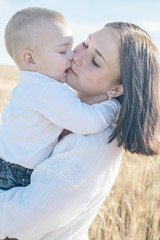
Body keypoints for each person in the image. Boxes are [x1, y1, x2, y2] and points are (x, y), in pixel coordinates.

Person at [0, 22, 159, 240]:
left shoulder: (93, 143)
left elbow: (16, 221)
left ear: (117, 88)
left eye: (95, 61)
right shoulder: (61, 105)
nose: (77, 56)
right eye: (85, 43)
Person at [0, 7, 120, 191]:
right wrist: (113, 106)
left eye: (71, 47)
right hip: (15, 173)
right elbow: (86, 120)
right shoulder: (46, 90)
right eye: (63, 51)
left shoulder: (33, 84)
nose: (72, 55)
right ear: (31, 60)